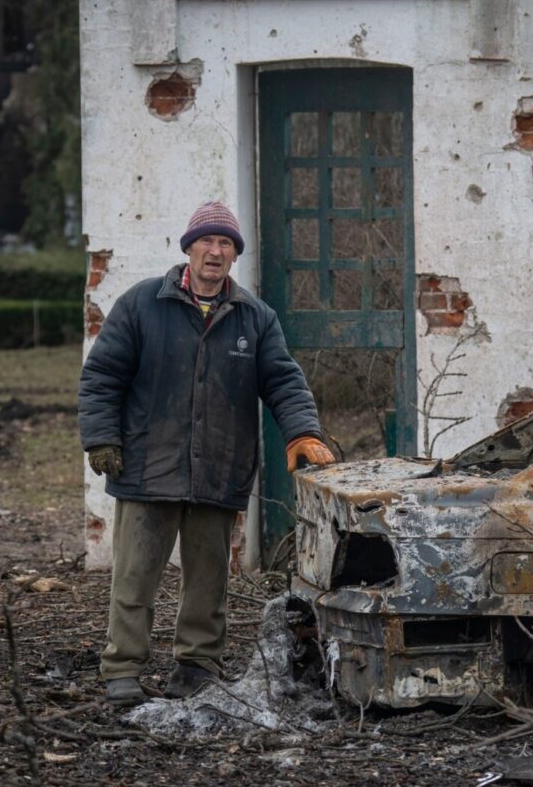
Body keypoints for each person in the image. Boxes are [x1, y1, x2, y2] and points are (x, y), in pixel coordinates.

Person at [78, 201, 335, 707]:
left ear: (234, 256)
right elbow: (102, 376)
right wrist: (101, 438)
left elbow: (283, 380)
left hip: (219, 467)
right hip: (147, 466)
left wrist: (302, 433)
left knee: (208, 580)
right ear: (188, 248)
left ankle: (196, 664)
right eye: (207, 242)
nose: (216, 252)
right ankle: (123, 668)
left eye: (226, 245)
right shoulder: (141, 305)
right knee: (135, 574)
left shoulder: (255, 318)